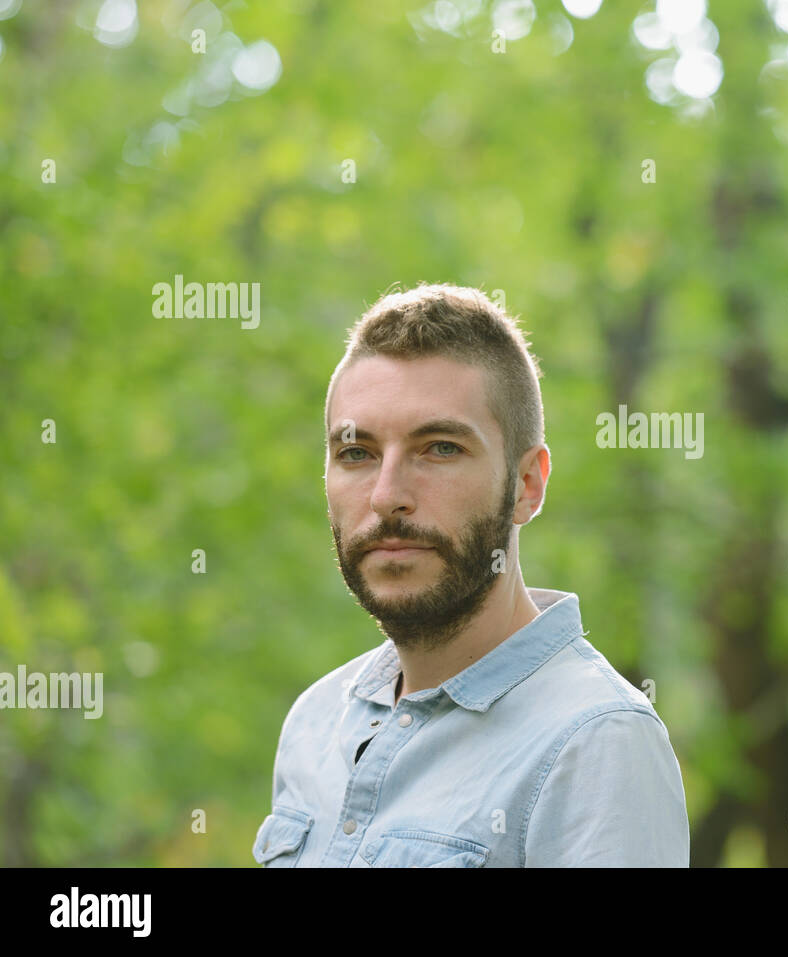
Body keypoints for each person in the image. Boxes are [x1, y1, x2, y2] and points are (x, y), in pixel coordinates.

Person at [253, 283, 689, 867]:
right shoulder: (316, 721)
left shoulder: (595, 743)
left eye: (439, 448)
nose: (387, 498)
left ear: (527, 485)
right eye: (356, 453)